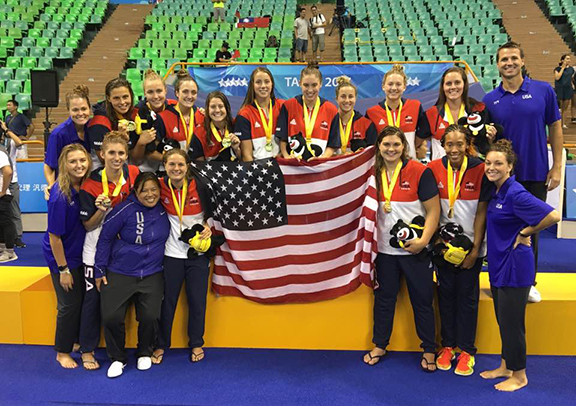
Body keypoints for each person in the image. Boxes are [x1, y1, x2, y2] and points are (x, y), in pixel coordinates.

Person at [483, 41, 563, 303]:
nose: (509, 63)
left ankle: (529, 282)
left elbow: (555, 128)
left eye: (513, 58)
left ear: (522, 60)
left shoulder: (543, 91)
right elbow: (486, 140)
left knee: (531, 231)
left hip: (535, 172)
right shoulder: (489, 100)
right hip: (502, 179)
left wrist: (557, 166)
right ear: (497, 64)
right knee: (502, 229)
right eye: (504, 59)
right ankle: (501, 278)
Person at [480, 140, 560, 392]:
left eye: (498, 163)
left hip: (515, 267)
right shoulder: (498, 190)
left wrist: (526, 231)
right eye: (488, 162)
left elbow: (554, 215)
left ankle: (520, 375)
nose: (491, 167)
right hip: (499, 264)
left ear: (510, 167)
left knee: (513, 324)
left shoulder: (516, 193)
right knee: (504, 320)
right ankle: (506, 366)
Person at [363, 127, 440, 372]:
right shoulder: (371, 173)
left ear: (403, 147)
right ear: (379, 147)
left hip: (416, 251)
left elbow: (434, 210)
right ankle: (380, 345)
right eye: (386, 144)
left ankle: (429, 348)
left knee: (423, 301)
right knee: (384, 301)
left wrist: (423, 241)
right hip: (384, 252)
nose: (391, 149)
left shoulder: (419, 171)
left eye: (396, 144)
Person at [427, 125, 491, 376]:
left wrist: (474, 251)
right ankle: (448, 346)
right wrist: (438, 244)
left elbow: (483, 211)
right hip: (443, 247)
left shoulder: (479, 169)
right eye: (449, 144)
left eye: (459, 144)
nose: (454, 149)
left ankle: (466, 350)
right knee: (445, 296)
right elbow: (431, 210)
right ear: (443, 145)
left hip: (472, 248)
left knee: (467, 298)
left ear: (467, 144)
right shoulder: (433, 169)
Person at [95, 172, 169, 378]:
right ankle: (118, 358)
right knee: (111, 317)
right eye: (144, 190)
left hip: (152, 273)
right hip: (120, 271)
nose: (150, 194)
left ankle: (144, 351)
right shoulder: (124, 210)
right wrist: (100, 269)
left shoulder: (165, 209)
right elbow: (105, 238)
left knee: (150, 316)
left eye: (154, 189)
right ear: (136, 191)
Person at [78, 131, 140, 370]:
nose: (117, 158)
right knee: (92, 301)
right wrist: (101, 210)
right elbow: (88, 224)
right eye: (111, 153)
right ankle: (87, 350)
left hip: (121, 253)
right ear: (102, 154)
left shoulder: (133, 174)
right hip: (94, 252)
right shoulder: (91, 183)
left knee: (115, 302)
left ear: (127, 155)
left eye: (121, 153)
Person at [152, 149, 213, 365]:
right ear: (165, 166)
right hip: (171, 254)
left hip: (197, 254)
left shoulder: (202, 185)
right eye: (171, 165)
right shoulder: (159, 187)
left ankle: (196, 342)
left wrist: (209, 224)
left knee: (197, 301)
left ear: (187, 166)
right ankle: (160, 344)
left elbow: (217, 210)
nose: (176, 169)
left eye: (180, 165)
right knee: (167, 301)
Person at [42, 144, 92, 369]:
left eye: (82, 160)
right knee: (69, 304)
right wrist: (63, 270)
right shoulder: (59, 196)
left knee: (79, 301)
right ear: (64, 164)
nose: (79, 165)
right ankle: (61, 352)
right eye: (73, 161)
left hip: (79, 254)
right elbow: (55, 238)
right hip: (62, 257)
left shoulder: (85, 187)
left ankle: (73, 341)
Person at [423, 66, 496, 160]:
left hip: (471, 170)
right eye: (448, 83)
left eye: (457, 82)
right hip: (441, 172)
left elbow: (486, 143)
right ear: (443, 86)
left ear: (464, 84)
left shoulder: (478, 110)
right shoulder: (431, 114)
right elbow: (417, 144)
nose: (453, 87)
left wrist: (490, 139)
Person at [277, 62, 339, 160]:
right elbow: (283, 138)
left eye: (314, 85)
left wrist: (321, 158)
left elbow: (333, 143)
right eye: (306, 85)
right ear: (299, 83)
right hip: (294, 165)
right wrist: (287, 156)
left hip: (319, 167)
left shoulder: (331, 109)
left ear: (321, 84)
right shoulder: (288, 106)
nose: (310, 90)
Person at [366, 65, 430, 159]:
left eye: (398, 84)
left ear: (404, 86)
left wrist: (410, 148)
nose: (394, 88)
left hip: (408, 163)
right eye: (390, 84)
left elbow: (422, 135)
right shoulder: (372, 113)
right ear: (383, 86)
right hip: (383, 164)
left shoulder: (415, 106)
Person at [88, 78, 154, 168]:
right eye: (116, 98)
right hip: (102, 167)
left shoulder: (136, 115)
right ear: (108, 98)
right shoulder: (99, 122)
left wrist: (140, 143)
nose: (122, 102)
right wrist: (119, 141)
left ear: (131, 95)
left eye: (125, 97)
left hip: (126, 162)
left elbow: (136, 161)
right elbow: (104, 161)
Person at [44, 85, 92, 192]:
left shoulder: (93, 128)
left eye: (84, 109)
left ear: (90, 108)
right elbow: (49, 165)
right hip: (65, 189)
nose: (80, 113)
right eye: (75, 110)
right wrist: (52, 186)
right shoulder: (58, 134)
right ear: (69, 111)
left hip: (87, 187)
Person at [235, 67, 285, 161]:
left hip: (282, 167)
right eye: (258, 82)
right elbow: (247, 156)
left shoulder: (283, 106)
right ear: (252, 85)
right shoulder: (244, 114)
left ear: (272, 84)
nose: (263, 86)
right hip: (258, 171)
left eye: (267, 81)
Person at [134, 70, 175, 173]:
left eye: (159, 91)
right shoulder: (137, 113)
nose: (156, 96)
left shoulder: (173, 108)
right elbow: (136, 159)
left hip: (171, 166)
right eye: (150, 92)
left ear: (166, 90)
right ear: (144, 93)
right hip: (145, 168)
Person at [329, 76, 377, 155]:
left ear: (355, 98)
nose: (347, 100)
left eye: (351, 96)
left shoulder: (367, 124)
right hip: (332, 166)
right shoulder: (329, 122)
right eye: (343, 96)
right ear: (336, 99)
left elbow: (372, 154)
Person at [158, 69, 205, 151]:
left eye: (193, 92)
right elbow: (152, 152)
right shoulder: (163, 118)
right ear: (177, 93)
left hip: (196, 163)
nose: (190, 96)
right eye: (185, 92)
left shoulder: (202, 116)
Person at [188, 91, 241, 161]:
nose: (217, 110)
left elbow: (246, 161)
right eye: (213, 107)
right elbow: (198, 166)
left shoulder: (237, 125)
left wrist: (236, 149)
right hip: (210, 171)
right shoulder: (199, 133)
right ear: (207, 110)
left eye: (221, 106)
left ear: (227, 108)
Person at [1, 115, 25, 248]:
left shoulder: (10, 141)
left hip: (12, 180)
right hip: (0, 181)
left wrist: (6, 129)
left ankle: (17, 237)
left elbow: (20, 143)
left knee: (14, 210)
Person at [0, 143, 16, 262]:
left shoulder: (0, 153)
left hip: (2, 196)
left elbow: (8, 172)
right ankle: (2, 248)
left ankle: (10, 251)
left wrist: (3, 191)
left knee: (6, 222)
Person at [553, 54, 574, 129]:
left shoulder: (571, 69)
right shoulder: (557, 69)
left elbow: (570, 78)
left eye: (569, 59)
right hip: (559, 89)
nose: (569, 60)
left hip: (568, 89)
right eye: (567, 59)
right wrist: (563, 68)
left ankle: (563, 124)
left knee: (565, 107)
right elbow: (557, 77)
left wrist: (572, 85)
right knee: (559, 107)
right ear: (562, 60)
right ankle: (557, 123)